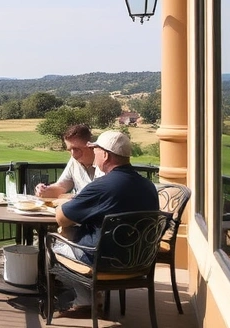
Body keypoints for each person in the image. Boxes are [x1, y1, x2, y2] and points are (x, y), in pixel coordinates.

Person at [51, 130, 159, 318]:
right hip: (140, 260)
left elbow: (61, 217)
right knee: (71, 233)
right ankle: (88, 298)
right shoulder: (148, 186)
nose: (94, 154)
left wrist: (65, 204)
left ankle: (84, 301)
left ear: (106, 155)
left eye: (96, 150)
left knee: (50, 245)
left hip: (103, 261)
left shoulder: (102, 186)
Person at [35, 124, 102, 198]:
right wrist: (44, 190)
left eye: (77, 149)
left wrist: (71, 199)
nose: (73, 155)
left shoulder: (105, 165)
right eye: (70, 150)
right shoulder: (74, 161)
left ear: (91, 146)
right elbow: (62, 187)